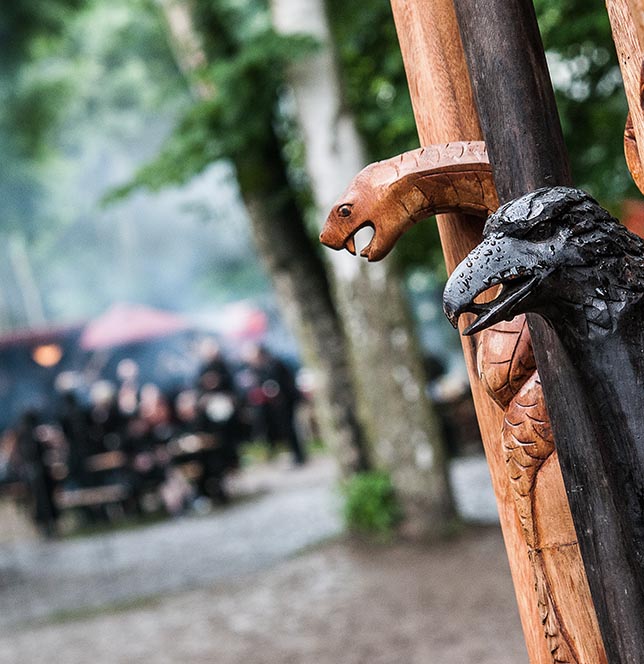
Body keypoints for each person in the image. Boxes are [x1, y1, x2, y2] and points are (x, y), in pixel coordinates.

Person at [245, 345, 306, 465]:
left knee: (290, 429)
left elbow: (286, 384)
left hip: (285, 403)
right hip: (272, 406)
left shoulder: (276, 364)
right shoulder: (256, 369)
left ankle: (298, 455)